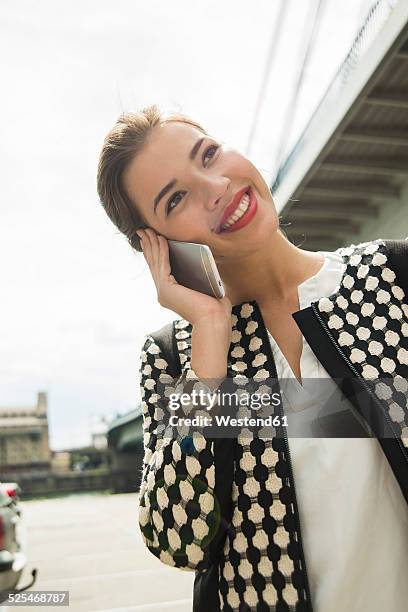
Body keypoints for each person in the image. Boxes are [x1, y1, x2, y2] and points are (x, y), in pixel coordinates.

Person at [97, 104, 408, 612]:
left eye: (210, 154)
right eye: (176, 199)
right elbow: (179, 539)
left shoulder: (394, 279)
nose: (215, 186)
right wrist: (211, 340)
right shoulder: (174, 358)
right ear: (155, 246)